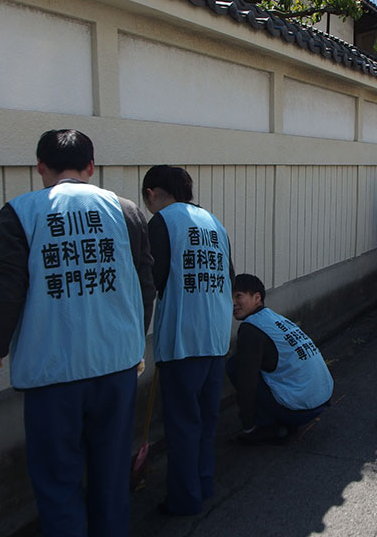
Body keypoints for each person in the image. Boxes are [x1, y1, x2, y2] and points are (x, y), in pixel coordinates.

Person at [0, 129, 155, 537]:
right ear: (90, 167)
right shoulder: (125, 210)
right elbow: (146, 286)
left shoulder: (19, 213)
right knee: (110, 473)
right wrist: (136, 343)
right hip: (116, 367)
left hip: (52, 373)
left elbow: (8, 292)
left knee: (57, 481)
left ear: (40, 168)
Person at [142, 165, 234, 516]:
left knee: (182, 426)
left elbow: (152, 283)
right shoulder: (213, 223)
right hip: (214, 339)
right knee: (206, 422)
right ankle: (203, 485)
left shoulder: (162, 222)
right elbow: (229, 276)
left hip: (182, 342)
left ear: (152, 193)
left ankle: (184, 500)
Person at [227, 274, 333, 443]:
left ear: (257, 297)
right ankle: (281, 420)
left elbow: (246, 382)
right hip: (321, 399)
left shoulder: (250, 328)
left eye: (238, 296)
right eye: (229, 296)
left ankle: (266, 426)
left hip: (299, 408)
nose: (232, 303)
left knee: (235, 366)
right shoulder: (272, 318)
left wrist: (247, 426)